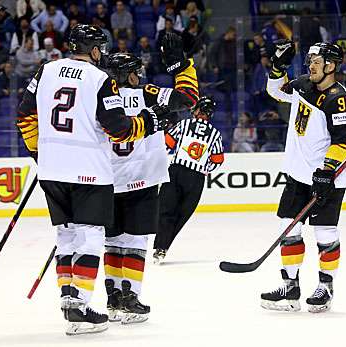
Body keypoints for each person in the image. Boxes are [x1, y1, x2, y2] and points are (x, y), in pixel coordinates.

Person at [15, 24, 172, 336]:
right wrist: (150, 121)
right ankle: (81, 305)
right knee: (90, 237)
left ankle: (68, 299)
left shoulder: (45, 71)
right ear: (96, 50)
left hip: (52, 170)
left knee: (65, 237)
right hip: (89, 172)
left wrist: (39, 152)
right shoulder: (100, 79)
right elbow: (120, 130)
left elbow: (24, 116)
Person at [101, 35, 199, 324]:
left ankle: (113, 300)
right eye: (136, 71)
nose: (139, 75)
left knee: (112, 243)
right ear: (130, 74)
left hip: (107, 181)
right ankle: (130, 298)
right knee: (134, 240)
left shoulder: (99, 99)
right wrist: (183, 67)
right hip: (141, 180)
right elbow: (188, 99)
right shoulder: (146, 93)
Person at [262, 40, 346, 313]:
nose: (311, 66)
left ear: (331, 65)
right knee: (287, 228)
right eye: (310, 61)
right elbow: (275, 91)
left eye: (317, 62)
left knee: (325, 233)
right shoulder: (303, 85)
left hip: (327, 179)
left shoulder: (339, 99)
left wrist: (327, 172)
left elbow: (345, 141)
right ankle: (290, 288)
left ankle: (325, 287)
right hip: (297, 175)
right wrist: (279, 66)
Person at [152, 96, 224, 263]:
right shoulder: (215, 134)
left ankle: (160, 247)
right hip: (196, 179)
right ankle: (164, 248)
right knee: (181, 215)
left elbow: (166, 145)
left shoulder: (184, 124)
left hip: (176, 172)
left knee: (165, 211)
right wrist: (204, 170)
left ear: (199, 110)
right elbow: (218, 160)